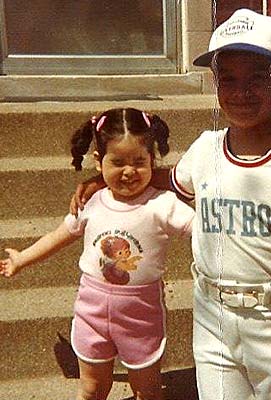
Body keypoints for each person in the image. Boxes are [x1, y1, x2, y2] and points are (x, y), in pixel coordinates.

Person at [70, 9, 271, 400]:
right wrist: (104, 180)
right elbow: (168, 180)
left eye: (257, 77)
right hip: (213, 320)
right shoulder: (205, 149)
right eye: (228, 79)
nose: (241, 92)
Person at [0, 108, 195, 400]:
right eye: (117, 162)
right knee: (92, 389)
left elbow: (202, 231)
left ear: (152, 160)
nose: (129, 171)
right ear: (98, 161)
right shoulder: (90, 202)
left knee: (148, 391)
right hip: (91, 310)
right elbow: (58, 236)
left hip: (141, 314)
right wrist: (21, 259)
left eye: (139, 162)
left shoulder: (163, 204)